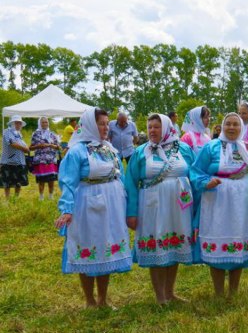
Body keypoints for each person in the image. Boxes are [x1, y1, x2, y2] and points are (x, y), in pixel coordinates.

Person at [55, 107, 131, 308]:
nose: (106, 128)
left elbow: (120, 176)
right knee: (87, 246)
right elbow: (68, 183)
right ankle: (89, 300)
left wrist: (127, 202)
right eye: (101, 124)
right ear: (89, 125)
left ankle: (103, 300)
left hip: (112, 205)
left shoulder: (109, 149)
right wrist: (67, 209)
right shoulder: (77, 151)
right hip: (87, 205)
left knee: (105, 246)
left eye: (107, 124)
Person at [124, 114, 196, 305]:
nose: (152, 131)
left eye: (157, 127)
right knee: (157, 246)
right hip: (152, 208)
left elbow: (194, 175)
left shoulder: (185, 149)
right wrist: (131, 212)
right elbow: (130, 183)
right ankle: (160, 296)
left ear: (166, 128)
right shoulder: (141, 152)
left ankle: (170, 292)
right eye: (149, 127)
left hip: (179, 208)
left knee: (174, 247)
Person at [191, 112, 248, 296]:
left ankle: (234, 290)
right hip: (217, 199)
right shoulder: (211, 147)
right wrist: (206, 182)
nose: (231, 127)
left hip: (243, 200)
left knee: (239, 237)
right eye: (228, 123)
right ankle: (219, 291)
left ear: (241, 127)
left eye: (235, 124)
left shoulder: (247, 148)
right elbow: (196, 171)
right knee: (218, 235)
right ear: (222, 125)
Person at [29, 117, 62, 200]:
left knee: (51, 179)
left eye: (46, 122)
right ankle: (41, 197)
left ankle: (51, 196)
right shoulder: (36, 134)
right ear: (39, 123)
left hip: (51, 160)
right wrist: (39, 146)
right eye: (43, 122)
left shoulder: (52, 134)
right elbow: (30, 147)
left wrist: (51, 145)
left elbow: (58, 147)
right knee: (41, 180)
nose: (45, 124)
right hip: (40, 160)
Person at [2, 116, 30, 198]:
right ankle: (7, 200)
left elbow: (22, 145)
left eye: (20, 123)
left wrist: (27, 148)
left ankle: (16, 198)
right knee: (7, 181)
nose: (18, 125)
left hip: (19, 161)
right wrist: (25, 149)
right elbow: (12, 143)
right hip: (8, 161)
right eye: (16, 123)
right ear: (12, 123)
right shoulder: (7, 132)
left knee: (18, 181)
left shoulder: (19, 134)